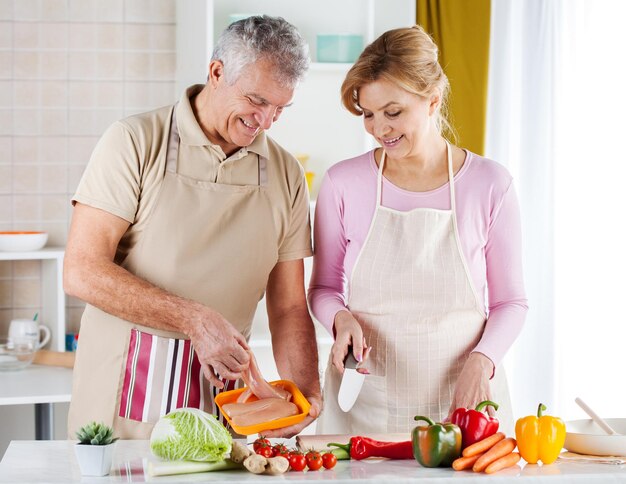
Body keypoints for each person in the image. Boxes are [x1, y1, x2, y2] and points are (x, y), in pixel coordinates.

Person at [64, 15, 321, 439]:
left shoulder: (286, 173)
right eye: (256, 100)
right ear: (216, 72)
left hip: (227, 393)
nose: (267, 120)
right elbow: (81, 270)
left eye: (280, 108)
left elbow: (289, 307)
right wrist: (195, 320)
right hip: (127, 382)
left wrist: (306, 394)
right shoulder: (134, 142)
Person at [308, 25, 528, 435]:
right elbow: (322, 288)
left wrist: (484, 360)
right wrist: (341, 319)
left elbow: (511, 302)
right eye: (368, 114)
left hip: (466, 401)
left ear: (433, 99)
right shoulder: (342, 183)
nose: (378, 129)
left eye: (393, 112)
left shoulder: (490, 184)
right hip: (366, 404)